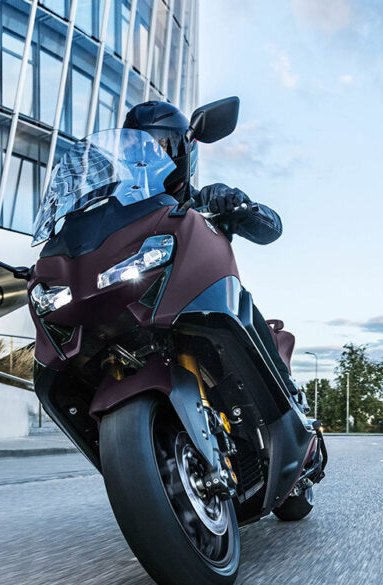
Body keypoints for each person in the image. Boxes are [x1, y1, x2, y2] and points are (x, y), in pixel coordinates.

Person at [122, 100, 298, 396]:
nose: (146, 159)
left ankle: (284, 391)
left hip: (202, 302)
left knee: (241, 303)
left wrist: (240, 206)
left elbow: (272, 229)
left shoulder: (206, 199)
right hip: (140, 304)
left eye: (158, 147)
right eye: (134, 150)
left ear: (182, 149)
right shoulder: (121, 212)